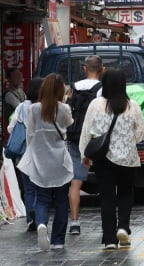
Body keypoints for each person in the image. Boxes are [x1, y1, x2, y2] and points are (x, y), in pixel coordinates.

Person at [79, 68, 144, 249]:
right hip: (128, 158)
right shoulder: (132, 105)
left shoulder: (96, 105)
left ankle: (109, 238)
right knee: (125, 193)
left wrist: (84, 155)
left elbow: (86, 131)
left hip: (103, 159)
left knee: (107, 197)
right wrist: (128, 138)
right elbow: (141, 133)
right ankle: (123, 227)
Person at [17, 73, 74, 251]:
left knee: (42, 198)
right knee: (61, 201)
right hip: (59, 160)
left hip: (40, 159)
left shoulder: (33, 109)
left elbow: (30, 133)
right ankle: (58, 241)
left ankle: (41, 223)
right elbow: (69, 124)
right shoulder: (64, 108)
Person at [67, 55, 104, 235]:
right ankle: (108, 221)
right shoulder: (102, 88)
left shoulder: (74, 87)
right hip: (96, 139)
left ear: (84, 69)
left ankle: (74, 222)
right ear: (102, 70)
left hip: (75, 138)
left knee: (76, 182)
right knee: (106, 179)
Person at [7, 78, 43, 232]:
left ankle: (31, 218)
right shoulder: (45, 107)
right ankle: (40, 216)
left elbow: (10, 128)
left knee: (28, 189)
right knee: (41, 187)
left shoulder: (21, 107)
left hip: (23, 154)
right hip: (42, 152)